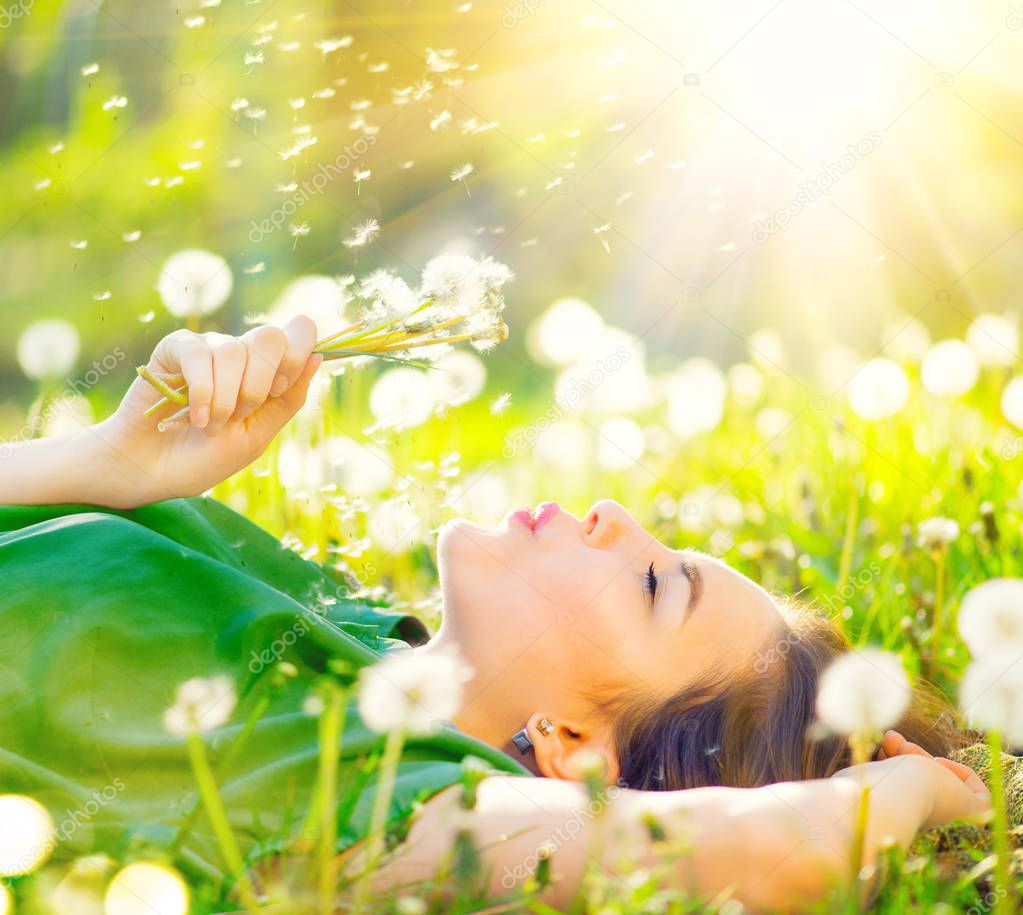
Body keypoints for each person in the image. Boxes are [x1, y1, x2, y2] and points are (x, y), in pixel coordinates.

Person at [0, 317, 991, 911]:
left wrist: (935, 797)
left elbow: (790, 855)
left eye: (656, 585)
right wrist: (98, 464)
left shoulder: (403, 811)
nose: (617, 514)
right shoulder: (338, 623)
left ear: (574, 751)